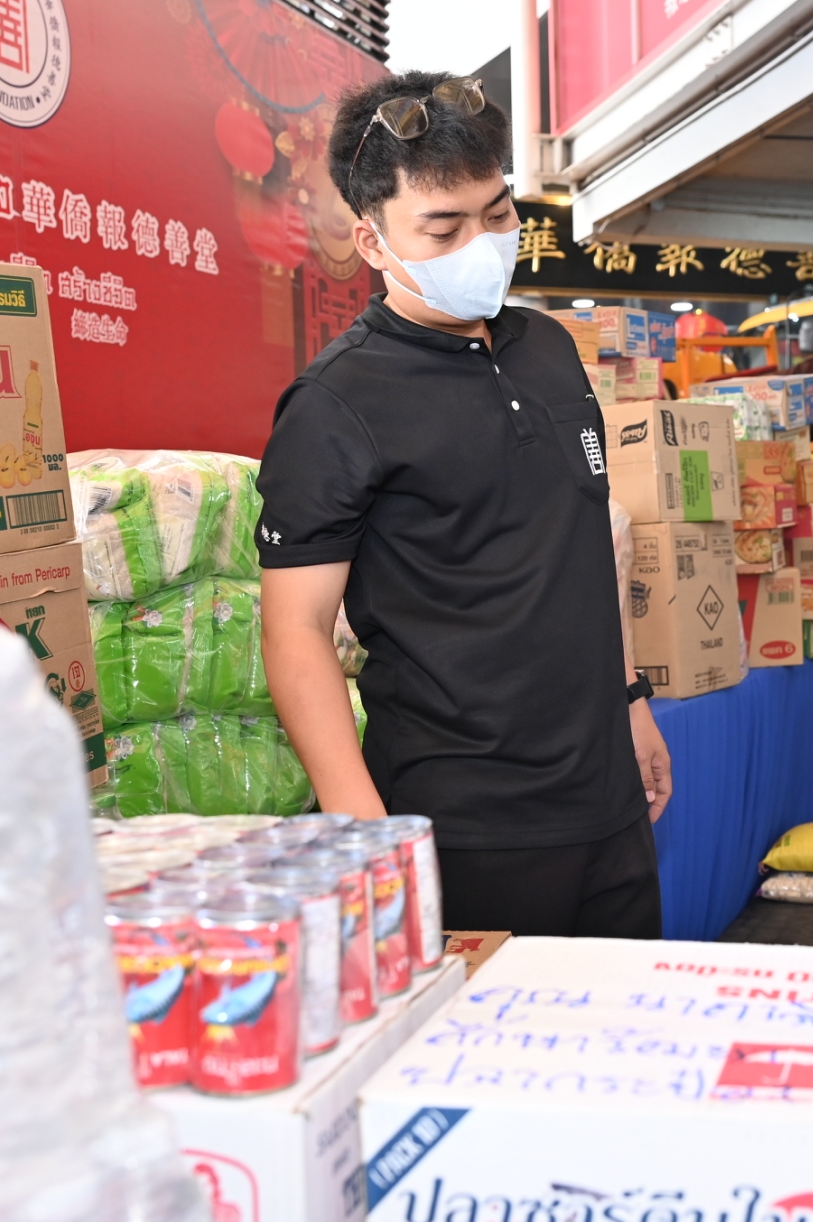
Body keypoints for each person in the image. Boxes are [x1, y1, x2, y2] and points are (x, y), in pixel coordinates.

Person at [254, 70, 671, 939]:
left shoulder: (548, 348)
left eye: (498, 213)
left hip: (607, 802)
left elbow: (584, 540)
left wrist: (632, 698)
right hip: (460, 823)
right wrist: (366, 834)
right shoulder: (336, 403)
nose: (481, 243)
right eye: (443, 229)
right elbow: (296, 633)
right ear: (371, 242)